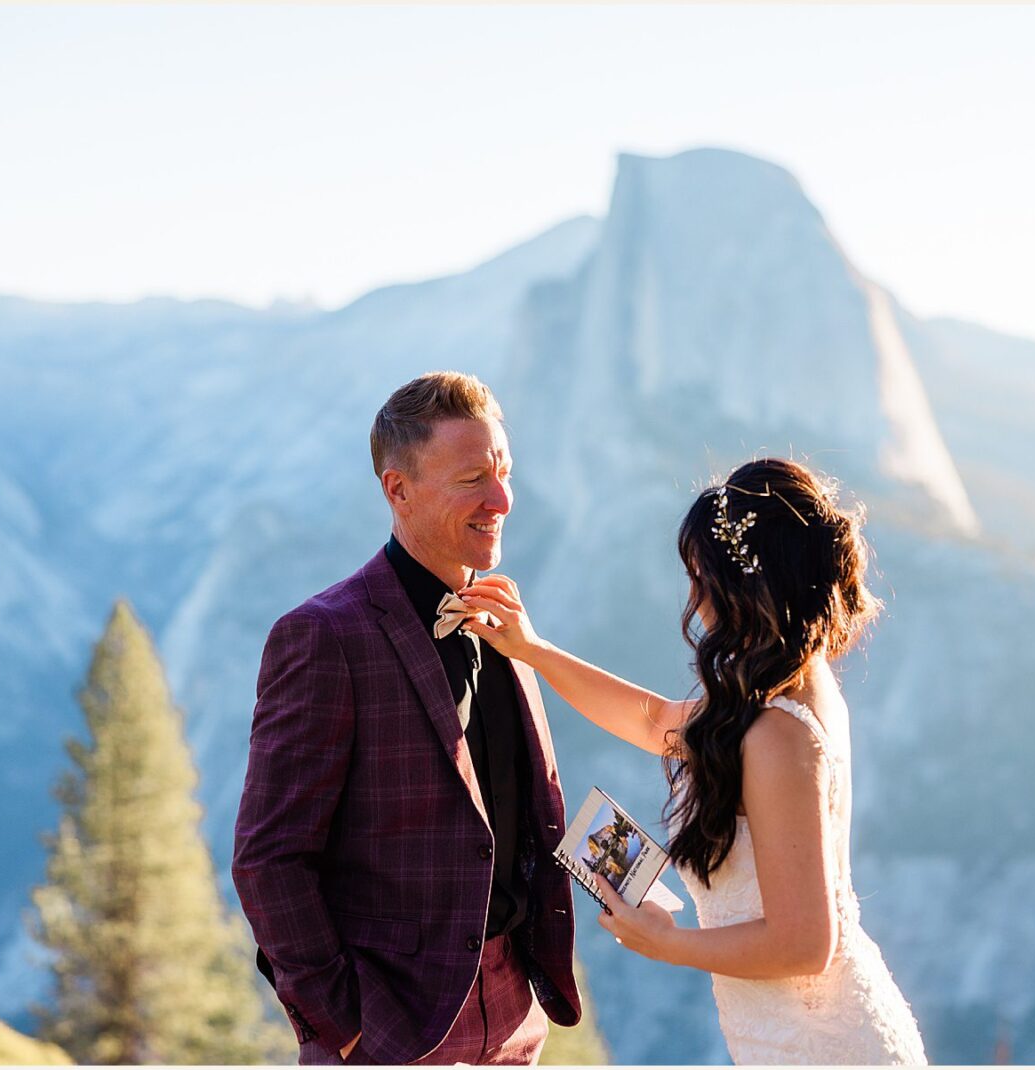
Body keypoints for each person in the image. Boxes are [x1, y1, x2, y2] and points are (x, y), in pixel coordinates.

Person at [459, 457, 928, 1065]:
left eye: (699, 571)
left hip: (822, 1044)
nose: (692, 592)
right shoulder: (785, 688)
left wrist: (669, 943)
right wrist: (533, 651)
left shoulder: (779, 733)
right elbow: (655, 722)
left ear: (742, 583)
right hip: (790, 1034)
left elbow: (806, 944)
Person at [231, 372, 581, 1066]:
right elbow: (268, 860)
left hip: (516, 1020)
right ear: (398, 490)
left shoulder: (502, 617)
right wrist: (348, 1027)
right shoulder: (324, 636)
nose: (503, 499)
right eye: (473, 478)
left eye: (505, 471)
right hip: (393, 1032)